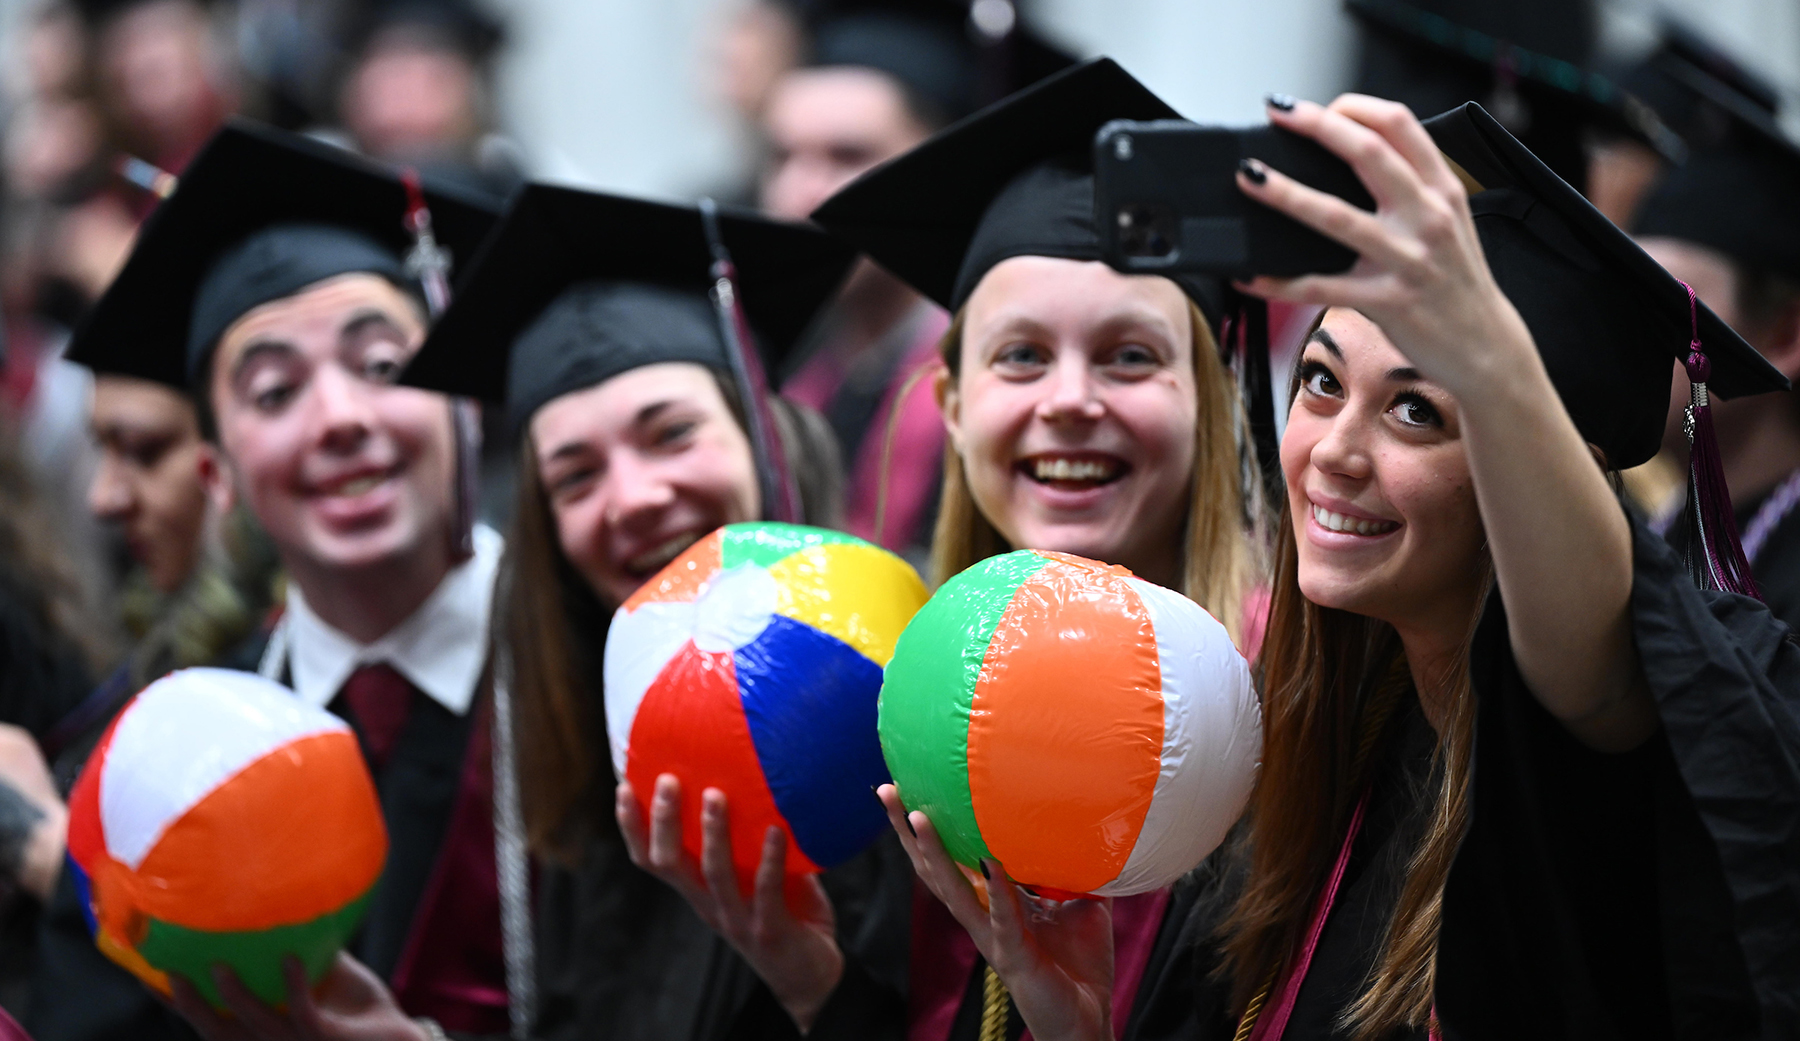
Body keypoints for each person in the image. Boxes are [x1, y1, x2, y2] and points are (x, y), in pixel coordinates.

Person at [885, 89, 1800, 1040]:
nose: (1332, 451)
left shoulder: (1601, 779)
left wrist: (1484, 351)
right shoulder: (1319, 768)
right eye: (1322, 381)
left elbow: (1597, 668)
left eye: (1419, 410)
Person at [645, 58, 1260, 1040]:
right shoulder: (893, 711)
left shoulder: (1288, 713)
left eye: (1131, 356)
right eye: (1021, 355)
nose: (1068, 398)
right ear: (953, 407)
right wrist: (814, 984)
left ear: (1212, 398)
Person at [29, 119, 502, 1041]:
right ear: (219, 477)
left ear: (462, 398)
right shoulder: (155, 771)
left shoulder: (607, 689)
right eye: (276, 391)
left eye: (382, 366)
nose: (340, 418)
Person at [765, 2, 1073, 562]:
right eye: (782, 157)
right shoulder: (785, 378)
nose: (798, 196)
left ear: (941, 171)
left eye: (847, 155)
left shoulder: (1013, 395)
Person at [1631, 82, 1800, 631]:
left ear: (1786, 335)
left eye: (1672, 303)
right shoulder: (1660, 530)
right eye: (1631, 299)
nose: (1629, 332)